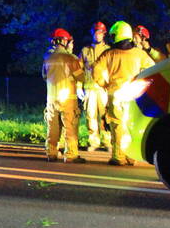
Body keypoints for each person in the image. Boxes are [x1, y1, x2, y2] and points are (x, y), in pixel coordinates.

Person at [93, 21, 154, 166]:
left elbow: (95, 71)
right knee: (131, 125)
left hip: (115, 94)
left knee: (117, 125)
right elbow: (152, 69)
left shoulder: (108, 54)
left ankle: (118, 156)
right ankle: (131, 157)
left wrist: (104, 84)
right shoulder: (139, 54)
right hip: (133, 95)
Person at [42, 28, 86, 163]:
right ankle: (71, 155)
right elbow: (82, 77)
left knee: (52, 128)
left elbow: (44, 76)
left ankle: (51, 153)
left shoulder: (47, 59)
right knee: (70, 127)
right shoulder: (70, 58)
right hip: (68, 100)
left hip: (51, 99)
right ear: (64, 41)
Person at [79, 21, 111, 153]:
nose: (97, 35)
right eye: (95, 32)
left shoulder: (109, 50)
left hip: (104, 88)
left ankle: (107, 141)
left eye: (100, 33)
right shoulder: (85, 50)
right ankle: (94, 141)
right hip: (89, 89)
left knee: (105, 116)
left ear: (104, 34)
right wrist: (78, 86)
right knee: (90, 116)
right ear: (92, 33)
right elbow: (79, 69)